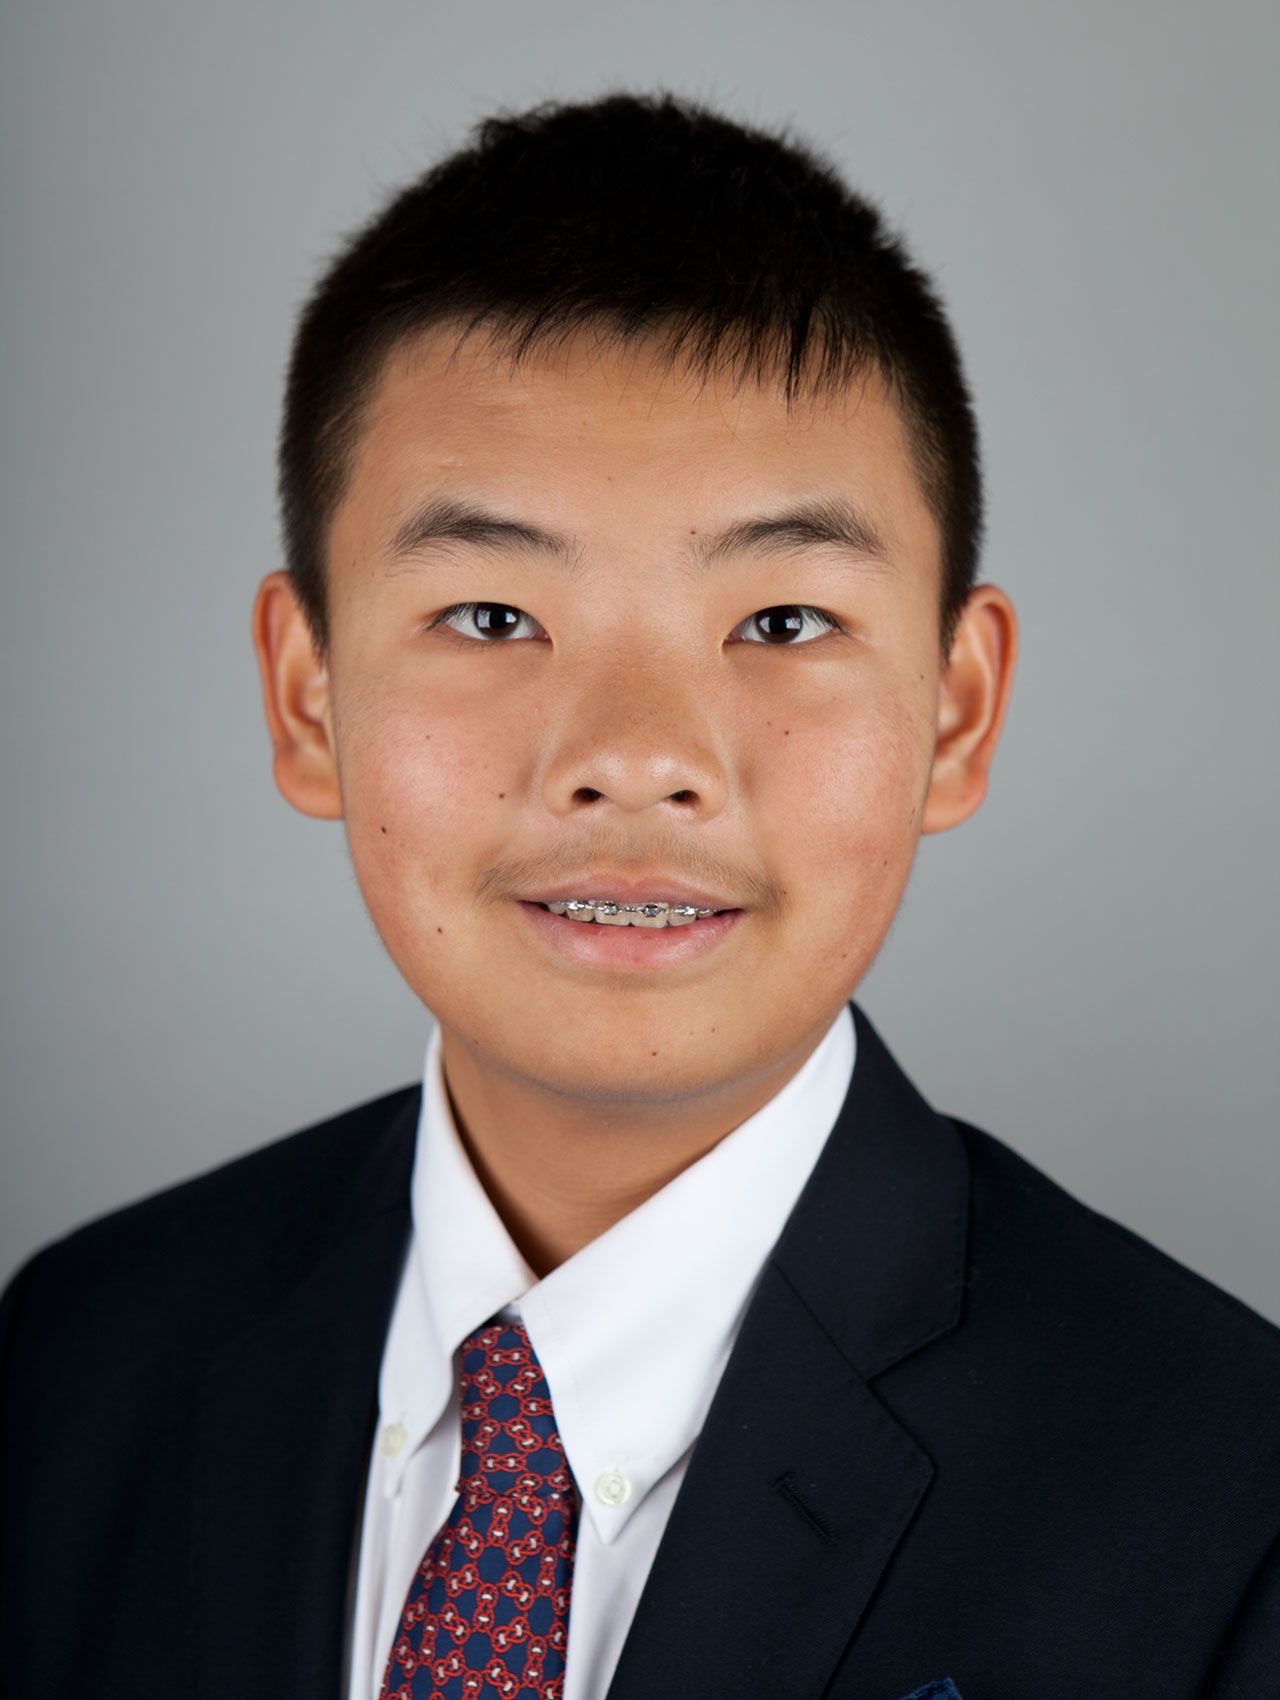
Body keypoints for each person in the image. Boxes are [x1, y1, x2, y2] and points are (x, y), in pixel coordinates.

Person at [0, 91, 1276, 1700]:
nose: (635, 759)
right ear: (309, 697)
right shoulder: (79, 1360)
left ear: (954, 715)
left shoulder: (1232, 1508)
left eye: (785, 623)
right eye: (487, 614)